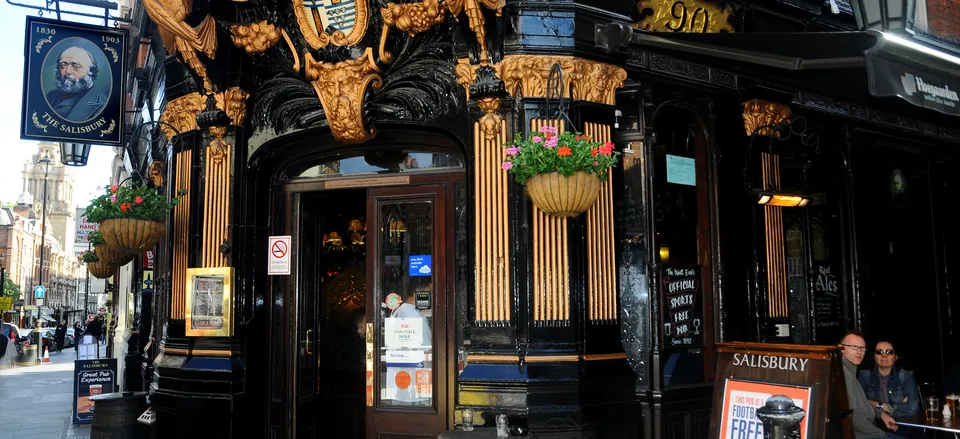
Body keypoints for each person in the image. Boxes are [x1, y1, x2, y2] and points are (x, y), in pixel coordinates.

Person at [840, 330, 898, 438]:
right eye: (854, 347)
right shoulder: (843, 374)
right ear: (841, 349)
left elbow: (862, 405)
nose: (859, 352)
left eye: (862, 348)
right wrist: (878, 434)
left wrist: (881, 414)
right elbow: (851, 415)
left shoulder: (850, 371)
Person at [44, 46, 107, 122]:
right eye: (63, 65)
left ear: (91, 71)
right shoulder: (50, 97)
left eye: (76, 66)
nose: (68, 71)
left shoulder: (103, 105)